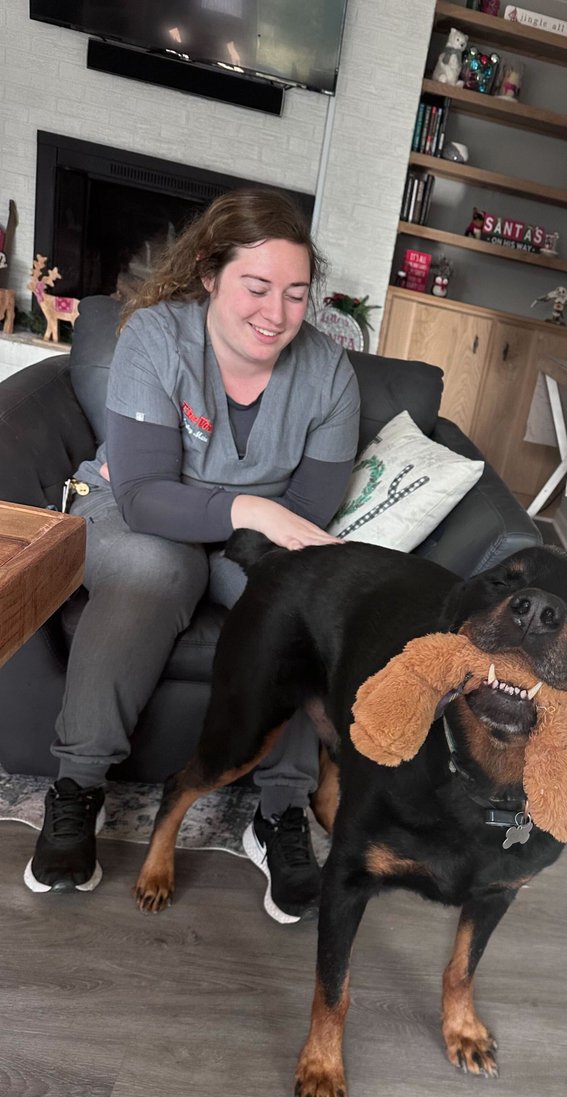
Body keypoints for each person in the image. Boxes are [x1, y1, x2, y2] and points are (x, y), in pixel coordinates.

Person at [24, 188, 361, 923]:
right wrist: (246, 507)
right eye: (257, 286)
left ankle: (278, 813)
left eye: (297, 294)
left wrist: (254, 529)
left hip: (257, 536)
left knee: (302, 601)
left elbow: (309, 513)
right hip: (136, 511)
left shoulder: (330, 374)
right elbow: (145, 496)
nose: (276, 313)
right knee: (157, 567)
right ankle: (78, 788)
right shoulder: (153, 337)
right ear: (210, 274)